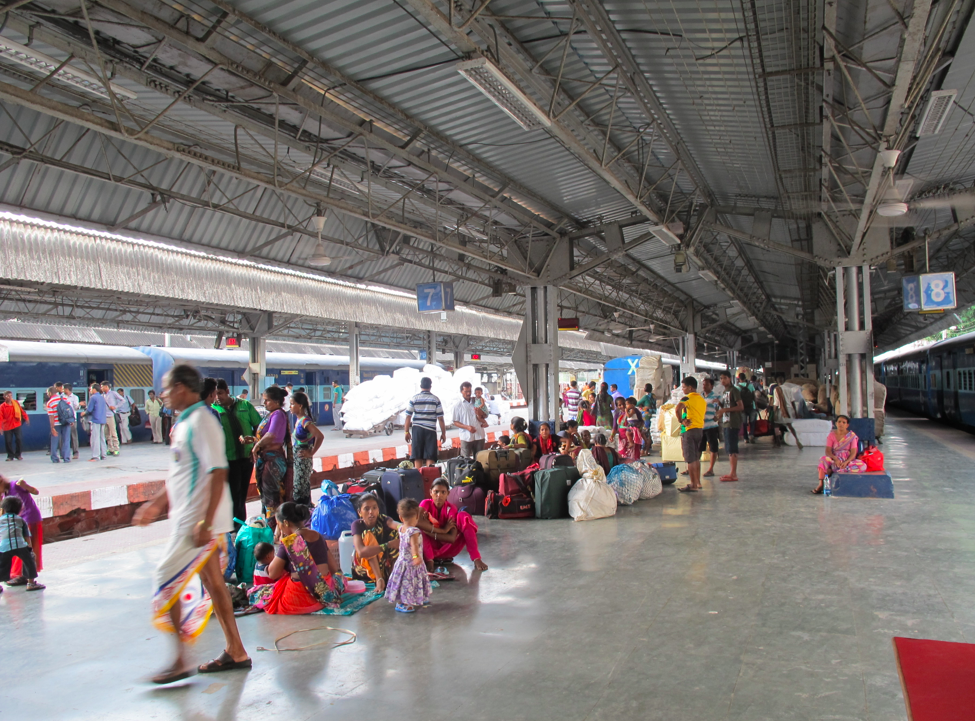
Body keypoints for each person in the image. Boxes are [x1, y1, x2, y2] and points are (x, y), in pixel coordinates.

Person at [132, 364, 250, 684]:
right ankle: (236, 650)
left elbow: (218, 472)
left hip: (196, 521)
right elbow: (180, 473)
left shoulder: (202, 421)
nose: (164, 395)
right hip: (191, 516)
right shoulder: (184, 424)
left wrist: (205, 522)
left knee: (164, 578)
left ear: (183, 388)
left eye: (168, 389)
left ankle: (181, 660)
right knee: (213, 583)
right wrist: (155, 504)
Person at [250, 502, 344, 614]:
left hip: (298, 599)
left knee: (256, 593)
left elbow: (273, 573)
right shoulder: (318, 536)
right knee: (341, 579)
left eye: (278, 524)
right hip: (325, 595)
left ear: (285, 522)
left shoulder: (289, 541)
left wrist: (283, 546)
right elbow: (333, 569)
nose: (278, 528)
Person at [213, 380, 262, 529]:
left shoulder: (244, 405)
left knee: (241, 493)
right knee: (233, 493)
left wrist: (255, 444)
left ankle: (239, 524)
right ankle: (235, 524)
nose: (218, 397)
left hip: (246, 458)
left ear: (227, 391)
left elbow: (258, 426)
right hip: (228, 459)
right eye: (215, 394)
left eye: (220, 393)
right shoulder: (213, 409)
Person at [418, 478, 488, 572]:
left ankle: (476, 558)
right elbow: (417, 522)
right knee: (419, 528)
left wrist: (429, 529)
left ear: (448, 493)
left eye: (443, 492)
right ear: (430, 492)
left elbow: (451, 538)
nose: (439, 495)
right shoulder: (425, 503)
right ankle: (429, 560)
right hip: (427, 550)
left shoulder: (451, 508)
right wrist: (443, 531)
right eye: (436, 492)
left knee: (463, 516)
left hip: (448, 549)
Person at [246, 385, 292, 520]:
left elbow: (272, 435)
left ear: (277, 402)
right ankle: (273, 524)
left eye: (267, 400)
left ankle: (274, 525)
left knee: (272, 495)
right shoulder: (272, 414)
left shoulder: (278, 414)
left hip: (273, 461)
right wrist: (254, 440)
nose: (264, 403)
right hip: (267, 459)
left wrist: (257, 445)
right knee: (268, 494)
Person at [384, 497, 432, 613]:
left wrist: (388, 521)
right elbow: (414, 545)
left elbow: (393, 524)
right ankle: (405, 604)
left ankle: (411, 599)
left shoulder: (402, 529)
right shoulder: (414, 531)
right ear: (417, 516)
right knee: (410, 583)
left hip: (401, 563)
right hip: (412, 564)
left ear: (401, 518)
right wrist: (416, 557)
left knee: (402, 583)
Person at [350, 492, 400, 592]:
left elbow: (396, 525)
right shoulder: (357, 524)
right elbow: (361, 551)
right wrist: (388, 545)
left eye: (374, 508)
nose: (371, 512)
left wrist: (407, 528)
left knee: (397, 534)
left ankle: (395, 576)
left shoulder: (384, 519)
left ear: (378, 510)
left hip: (384, 565)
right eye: (366, 509)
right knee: (368, 536)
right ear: (359, 512)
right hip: (365, 570)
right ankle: (379, 579)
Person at [0, 475, 43, 584]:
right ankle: (19, 574)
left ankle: (22, 575)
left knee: (24, 547)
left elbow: (36, 492)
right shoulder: (3, 494)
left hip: (29, 517)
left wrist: (26, 486)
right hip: (16, 522)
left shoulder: (16, 485)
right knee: (15, 546)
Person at [813, 415, 866, 494]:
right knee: (823, 459)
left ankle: (833, 471)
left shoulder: (852, 436)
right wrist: (835, 459)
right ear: (836, 423)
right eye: (839, 422)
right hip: (834, 460)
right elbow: (828, 451)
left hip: (847, 461)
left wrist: (846, 462)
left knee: (862, 465)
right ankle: (821, 484)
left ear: (847, 425)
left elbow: (853, 452)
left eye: (844, 422)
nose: (841, 424)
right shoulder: (831, 435)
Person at [290, 391, 324, 507]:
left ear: (300, 405)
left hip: (303, 460)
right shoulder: (299, 420)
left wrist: (311, 452)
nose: (290, 407)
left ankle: (302, 510)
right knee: (302, 486)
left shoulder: (305, 421)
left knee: (299, 487)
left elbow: (320, 436)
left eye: (292, 404)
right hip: (298, 459)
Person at [404, 377, 446, 467]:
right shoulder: (435, 399)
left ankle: (418, 477)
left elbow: (408, 417)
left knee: (417, 456)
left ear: (420, 386)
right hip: (430, 430)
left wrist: (406, 432)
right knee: (430, 455)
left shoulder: (414, 399)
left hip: (417, 430)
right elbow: (440, 418)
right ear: (430, 386)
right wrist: (443, 433)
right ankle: (429, 478)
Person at [675, 377, 706, 492]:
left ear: (690, 387)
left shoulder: (687, 398)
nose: (682, 389)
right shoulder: (701, 399)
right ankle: (697, 482)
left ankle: (692, 485)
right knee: (696, 458)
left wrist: (681, 421)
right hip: (699, 430)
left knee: (690, 459)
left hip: (689, 430)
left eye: (683, 387)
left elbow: (678, 409)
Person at [714, 371, 744, 482]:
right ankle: (731, 472)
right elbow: (728, 405)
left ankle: (733, 474)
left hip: (733, 422)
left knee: (732, 448)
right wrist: (721, 405)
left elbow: (740, 407)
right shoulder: (725, 391)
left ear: (730, 379)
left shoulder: (734, 391)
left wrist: (725, 409)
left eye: (725, 378)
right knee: (729, 448)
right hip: (727, 421)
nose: (722, 380)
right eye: (721, 378)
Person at [693, 378, 720, 478]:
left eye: (707, 384)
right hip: (701, 426)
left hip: (712, 426)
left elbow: (719, 410)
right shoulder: (700, 396)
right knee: (699, 447)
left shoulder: (716, 397)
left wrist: (717, 416)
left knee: (713, 447)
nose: (704, 386)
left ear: (711, 386)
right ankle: (693, 467)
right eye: (703, 384)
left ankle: (711, 469)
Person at [452, 381, 486, 458]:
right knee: (465, 459)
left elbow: (485, 415)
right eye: (466, 391)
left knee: (480, 459)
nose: (468, 393)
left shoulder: (477, 402)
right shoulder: (457, 405)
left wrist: (481, 413)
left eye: (469, 391)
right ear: (461, 391)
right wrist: (467, 427)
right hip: (466, 436)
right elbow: (455, 422)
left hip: (479, 435)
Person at [1, 391, 28, 461]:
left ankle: (18, 455)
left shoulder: (16, 403)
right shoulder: (2, 407)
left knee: (19, 439)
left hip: (16, 424)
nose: (10, 397)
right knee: (8, 441)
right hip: (7, 426)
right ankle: (10, 456)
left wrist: (26, 417)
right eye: (8, 396)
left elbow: (21, 411)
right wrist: (0, 428)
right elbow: (0, 418)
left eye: (10, 396)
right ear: (4, 397)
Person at [86, 383, 108, 461]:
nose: (90, 390)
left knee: (95, 438)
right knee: (102, 438)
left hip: (95, 420)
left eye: (91, 389)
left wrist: (84, 413)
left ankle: (96, 456)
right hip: (102, 419)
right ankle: (103, 455)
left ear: (94, 389)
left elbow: (89, 410)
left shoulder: (93, 397)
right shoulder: (102, 397)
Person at [101, 382, 122, 456]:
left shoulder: (113, 393)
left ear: (106, 387)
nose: (101, 388)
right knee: (107, 434)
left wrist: (115, 406)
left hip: (111, 415)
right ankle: (110, 448)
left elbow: (122, 400)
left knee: (113, 433)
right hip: (104, 416)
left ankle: (116, 449)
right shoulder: (102, 395)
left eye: (102, 387)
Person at [737, 374, 756, 444]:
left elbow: (737, 399)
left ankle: (746, 438)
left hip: (742, 408)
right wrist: (756, 405)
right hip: (752, 406)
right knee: (752, 422)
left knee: (744, 423)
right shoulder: (750, 385)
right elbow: (754, 396)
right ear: (745, 378)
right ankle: (751, 434)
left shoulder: (737, 387)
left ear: (739, 379)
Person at [62, 383, 80, 459]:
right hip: (64, 420)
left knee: (73, 436)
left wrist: (79, 405)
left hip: (72, 420)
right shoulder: (62, 397)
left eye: (63, 389)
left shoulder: (75, 397)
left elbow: (76, 408)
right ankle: (65, 453)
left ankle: (75, 452)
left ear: (67, 389)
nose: (62, 390)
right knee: (64, 437)